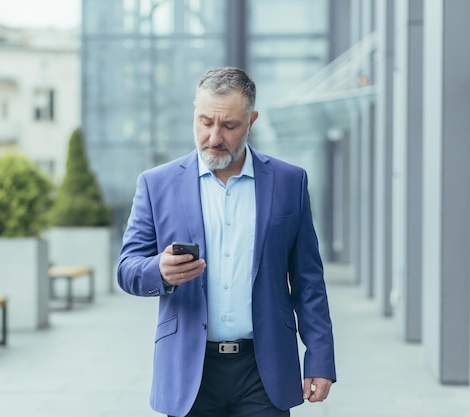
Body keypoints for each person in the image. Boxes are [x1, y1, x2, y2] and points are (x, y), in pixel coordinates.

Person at [117, 67, 336, 417]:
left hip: (263, 371)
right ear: (194, 113)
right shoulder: (156, 184)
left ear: (252, 121)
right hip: (190, 369)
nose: (214, 136)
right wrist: (159, 270)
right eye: (205, 122)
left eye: (229, 126)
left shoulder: (289, 182)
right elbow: (127, 270)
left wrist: (320, 357)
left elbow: (309, 280)